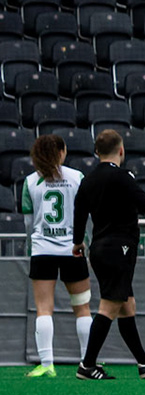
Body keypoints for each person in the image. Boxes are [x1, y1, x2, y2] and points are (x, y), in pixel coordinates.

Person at [71, 129, 145, 380]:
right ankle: (87, 365)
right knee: (110, 305)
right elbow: (143, 201)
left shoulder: (88, 180)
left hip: (99, 248)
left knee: (127, 304)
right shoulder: (122, 176)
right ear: (121, 150)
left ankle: (143, 363)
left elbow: (79, 213)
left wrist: (77, 242)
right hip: (120, 248)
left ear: (97, 153)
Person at [21, 135, 94, 377]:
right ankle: (87, 361)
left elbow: (28, 224)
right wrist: (85, 242)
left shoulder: (30, 182)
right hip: (73, 249)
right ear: (61, 152)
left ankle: (47, 363)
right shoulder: (77, 178)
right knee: (82, 308)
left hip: (42, 250)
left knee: (44, 309)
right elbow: (87, 216)